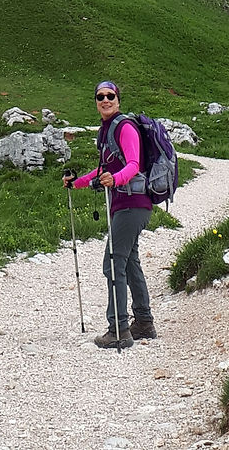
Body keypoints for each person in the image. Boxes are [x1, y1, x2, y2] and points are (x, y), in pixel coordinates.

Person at [63, 81, 156, 348]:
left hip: (132, 203)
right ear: (96, 101)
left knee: (113, 263)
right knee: (129, 262)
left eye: (110, 96)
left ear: (118, 100)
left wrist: (115, 180)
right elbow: (103, 169)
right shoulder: (107, 131)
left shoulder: (124, 127)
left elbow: (133, 164)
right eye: (100, 96)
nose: (105, 100)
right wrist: (78, 183)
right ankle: (144, 323)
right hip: (127, 204)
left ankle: (118, 330)